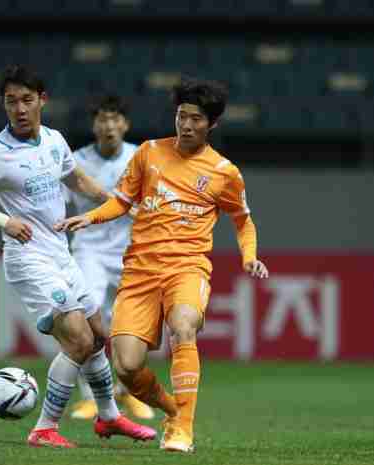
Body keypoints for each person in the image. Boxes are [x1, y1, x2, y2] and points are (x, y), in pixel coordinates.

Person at [0, 65, 156, 449]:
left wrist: (121, 204)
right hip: (29, 260)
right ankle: (44, 428)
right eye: (11, 102)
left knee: (98, 338)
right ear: (3, 105)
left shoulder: (55, 141)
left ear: (42, 100)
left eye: (26, 100)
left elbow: (78, 181)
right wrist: (1, 220)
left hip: (62, 255)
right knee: (77, 339)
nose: (19, 109)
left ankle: (108, 418)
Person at [56, 78, 269, 453]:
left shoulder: (224, 172)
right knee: (126, 366)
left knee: (183, 327)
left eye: (196, 119)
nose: (186, 125)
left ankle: (183, 428)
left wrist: (248, 256)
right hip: (139, 272)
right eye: (181, 116)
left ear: (212, 124)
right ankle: (173, 410)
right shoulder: (148, 153)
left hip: (187, 268)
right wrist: (91, 218)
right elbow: (121, 201)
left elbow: (243, 221)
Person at [65, 95, 154, 421]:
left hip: (133, 252)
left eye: (115, 119)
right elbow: (58, 205)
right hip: (89, 250)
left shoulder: (141, 158)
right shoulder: (76, 161)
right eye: (102, 119)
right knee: (88, 321)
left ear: (125, 124)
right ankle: (91, 397)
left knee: (135, 326)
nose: (109, 126)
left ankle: (132, 393)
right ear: (94, 125)